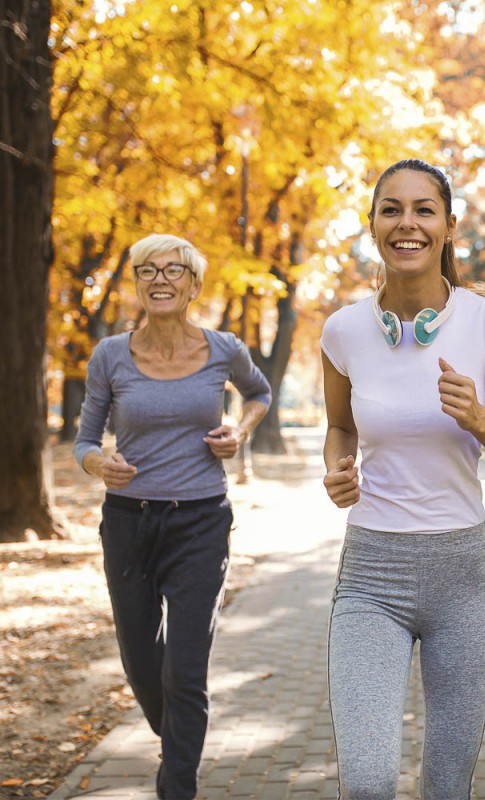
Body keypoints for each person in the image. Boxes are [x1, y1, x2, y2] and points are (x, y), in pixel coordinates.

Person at [320, 159, 485, 799]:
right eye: (392, 209)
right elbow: (340, 427)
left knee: (446, 787)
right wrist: (336, 466)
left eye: (423, 210)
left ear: (447, 225)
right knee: (366, 782)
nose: (407, 223)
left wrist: (478, 418)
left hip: (462, 579)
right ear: (372, 225)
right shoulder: (344, 330)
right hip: (371, 576)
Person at [73, 234, 271, 800]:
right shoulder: (111, 354)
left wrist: (240, 429)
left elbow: (259, 394)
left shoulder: (224, 348)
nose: (160, 279)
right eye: (147, 270)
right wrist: (97, 464)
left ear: (193, 285)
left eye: (173, 270)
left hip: (201, 522)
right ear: (136, 283)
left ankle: (176, 783)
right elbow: (85, 439)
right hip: (129, 523)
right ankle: (181, 735)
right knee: (141, 665)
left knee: (184, 671)